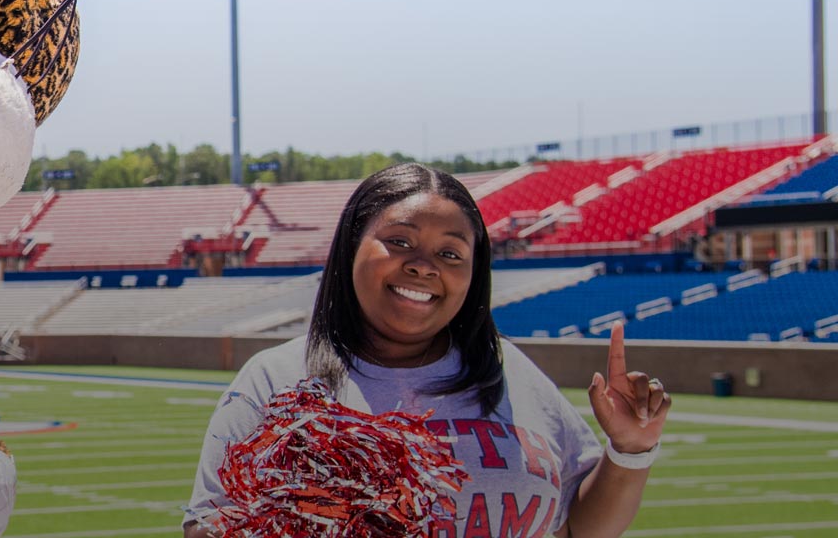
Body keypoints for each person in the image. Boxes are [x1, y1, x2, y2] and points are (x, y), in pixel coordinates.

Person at [183, 163, 669, 538]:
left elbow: (581, 528)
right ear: (351, 247)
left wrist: (630, 449)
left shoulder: (508, 370)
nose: (423, 266)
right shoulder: (277, 379)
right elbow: (206, 524)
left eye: (451, 253)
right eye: (399, 241)